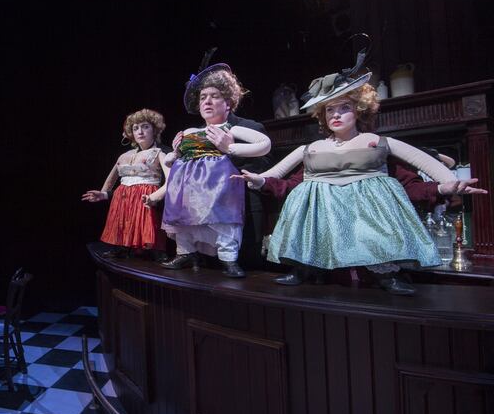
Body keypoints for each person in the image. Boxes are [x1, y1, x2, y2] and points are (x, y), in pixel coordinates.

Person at [233, 71, 487, 294]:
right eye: (330, 109)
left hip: (367, 214)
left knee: (374, 232)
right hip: (321, 217)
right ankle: (303, 269)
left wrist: (448, 185)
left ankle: (386, 274)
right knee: (307, 213)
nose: (336, 114)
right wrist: (257, 179)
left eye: (343, 107)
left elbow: (421, 170)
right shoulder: (310, 148)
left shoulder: (376, 143)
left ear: (358, 109)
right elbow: (280, 177)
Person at [160, 63, 271, 277]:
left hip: (219, 189)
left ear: (228, 103)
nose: (207, 101)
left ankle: (229, 259)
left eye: (214, 96)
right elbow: (171, 160)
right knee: (184, 222)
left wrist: (229, 147)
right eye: (203, 97)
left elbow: (263, 145)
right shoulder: (190, 131)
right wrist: (174, 153)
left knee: (224, 221)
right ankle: (185, 253)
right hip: (188, 192)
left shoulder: (234, 129)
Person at [82, 109, 171, 259]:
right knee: (123, 222)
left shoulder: (161, 152)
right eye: (135, 128)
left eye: (145, 126)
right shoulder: (125, 156)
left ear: (154, 129)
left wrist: (155, 197)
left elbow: (171, 180)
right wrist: (104, 193)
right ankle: (122, 246)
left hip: (147, 197)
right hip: (123, 198)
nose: (140, 131)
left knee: (147, 225)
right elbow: (112, 178)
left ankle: (154, 249)